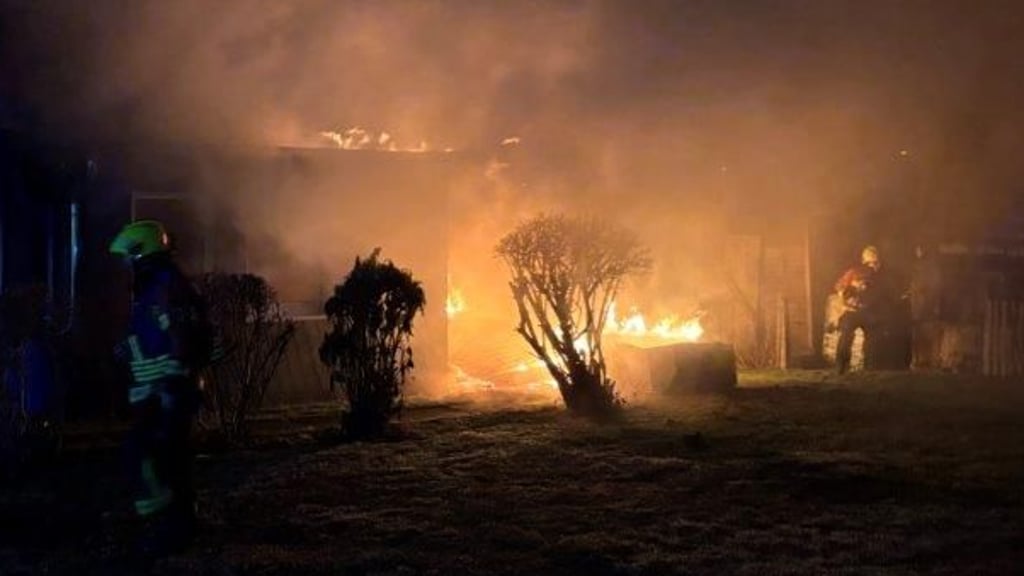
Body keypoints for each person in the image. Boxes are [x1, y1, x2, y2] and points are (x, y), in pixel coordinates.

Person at [110, 220, 213, 557]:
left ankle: (171, 530)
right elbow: (155, 334)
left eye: (129, 258)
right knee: (159, 459)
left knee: (157, 460)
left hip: (170, 391)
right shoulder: (157, 285)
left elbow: (180, 336)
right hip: (160, 391)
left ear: (141, 253)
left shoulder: (166, 285)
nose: (127, 266)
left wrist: (170, 385)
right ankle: (173, 525)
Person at [833, 245, 882, 374]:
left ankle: (869, 367)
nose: (873, 264)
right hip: (852, 311)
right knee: (846, 337)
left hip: (868, 311)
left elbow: (880, 293)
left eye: (876, 262)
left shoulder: (879, 276)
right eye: (871, 261)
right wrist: (845, 297)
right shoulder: (854, 272)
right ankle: (841, 367)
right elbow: (839, 286)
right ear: (865, 260)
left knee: (872, 339)